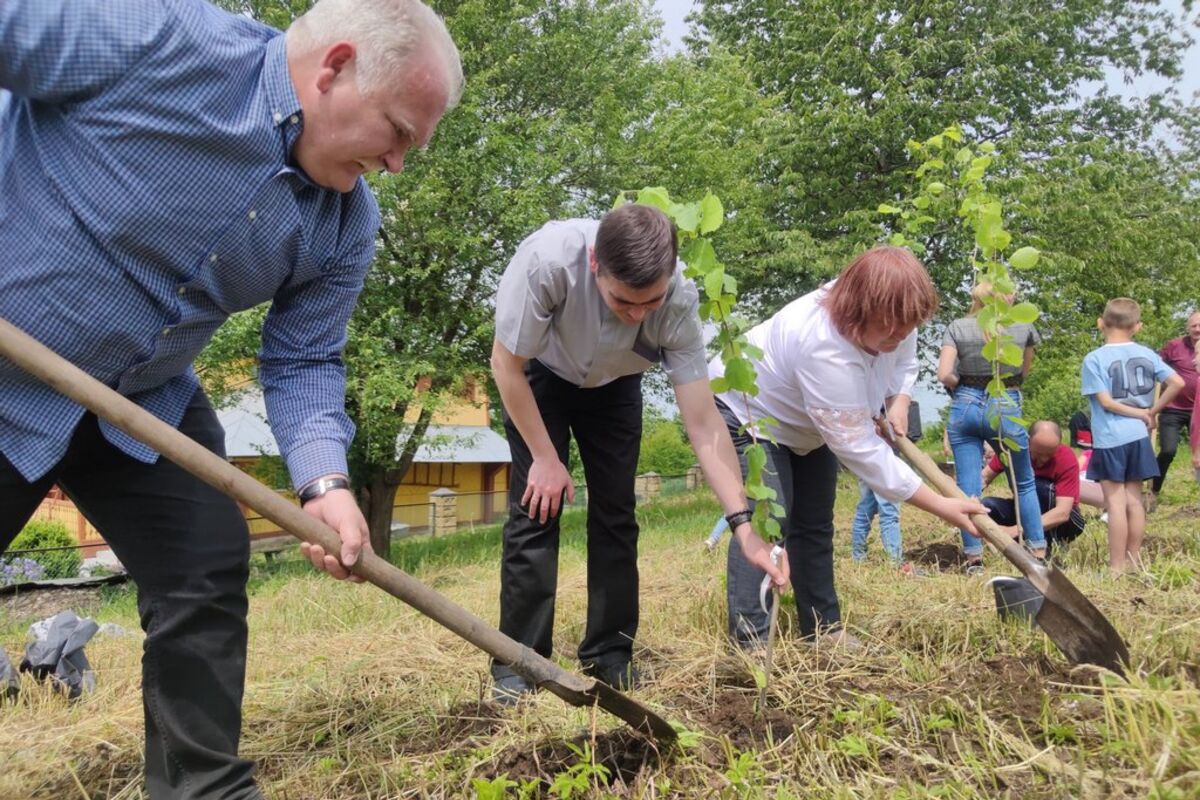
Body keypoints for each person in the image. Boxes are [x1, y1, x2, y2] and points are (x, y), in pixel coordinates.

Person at [0, 1, 463, 796]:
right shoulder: (159, 44)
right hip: (9, 382)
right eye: (397, 133)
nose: (396, 164)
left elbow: (306, 357)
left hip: (136, 404)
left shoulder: (344, 223)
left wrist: (326, 485)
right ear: (334, 68)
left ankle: (199, 788)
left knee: (205, 566)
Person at [488, 203, 788, 700]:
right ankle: (520, 664)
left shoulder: (680, 298)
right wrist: (545, 458)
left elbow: (703, 420)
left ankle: (610, 655)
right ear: (594, 267)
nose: (637, 315)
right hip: (538, 377)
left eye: (651, 303)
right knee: (535, 510)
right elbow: (506, 366)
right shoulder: (548, 261)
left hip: (616, 387)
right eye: (624, 302)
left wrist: (743, 523)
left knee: (617, 515)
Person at [715, 247, 986, 649]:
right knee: (770, 519)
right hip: (753, 412)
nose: (898, 336)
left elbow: (903, 364)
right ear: (858, 310)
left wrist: (899, 399)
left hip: (813, 422)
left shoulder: (898, 315)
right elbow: (860, 450)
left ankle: (823, 630)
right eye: (889, 328)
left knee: (815, 522)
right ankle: (751, 638)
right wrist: (941, 504)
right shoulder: (822, 344)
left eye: (906, 327)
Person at [938, 283, 1046, 574]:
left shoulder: (957, 327)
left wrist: (965, 387)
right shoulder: (1023, 326)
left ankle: (974, 558)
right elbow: (1023, 372)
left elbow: (944, 373)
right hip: (1005, 401)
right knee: (1022, 481)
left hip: (965, 403)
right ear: (1005, 297)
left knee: (968, 488)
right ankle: (1036, 550)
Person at [1082, 298, 1184, 571]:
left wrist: (1142, 413)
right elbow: (1177, 382)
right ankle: (1134, 561)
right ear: (1137, 326)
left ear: (1100, 323)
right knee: (1135, 501)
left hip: (1110, 436)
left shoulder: (1094, 359)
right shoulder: (1148, 354)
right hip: (1138, 437)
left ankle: (1116, 568)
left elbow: (1104, 402)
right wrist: (1151, 411)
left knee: (1115, 505)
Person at [980, 421, 1086, 553]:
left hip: (1065, 521)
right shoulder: (1013, 450)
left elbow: (1063, 513)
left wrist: (1014, 530)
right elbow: (984, 478)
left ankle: (1048, 544)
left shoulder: (1066, 457)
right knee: (987, 505)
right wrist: (965, 501)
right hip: (1025, 512)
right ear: (1027, 442)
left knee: (1037, 488)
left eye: (1049, 455)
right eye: (1038, 454)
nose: (1043, 460)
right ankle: (1003, 543)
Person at [1148, 311, 1200, 508]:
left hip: (1199, 410)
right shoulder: (1174, 346)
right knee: (1168, 451)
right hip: (1174, 408)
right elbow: (1156, 367)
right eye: (1194, 325)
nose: (1197, 329)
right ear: (1188, 327)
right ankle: (1154, 490)